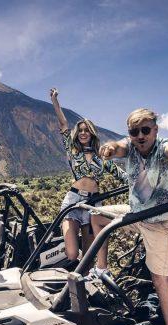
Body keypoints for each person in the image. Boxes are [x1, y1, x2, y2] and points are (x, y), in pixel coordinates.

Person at [94, 108, 168, 325]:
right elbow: (117, 147)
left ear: (155, 130)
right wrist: (109, 148)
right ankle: (101, 269)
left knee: (160, 280)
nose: (140, 136)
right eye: (134, 131)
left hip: (160, 223)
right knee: (96, 216)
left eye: (145, 130)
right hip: (137, 215)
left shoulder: (163, 149)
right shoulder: (129, 147)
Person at [49, 88, 127, 272]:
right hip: (73, 201)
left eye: (87, 130)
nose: (83, 133)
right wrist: (54, 101)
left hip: (93, 205)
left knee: (89, 254)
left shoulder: (102, 157)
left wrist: (143, 183)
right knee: (72, 253)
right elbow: (63, 125)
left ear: (92, 133)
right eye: (80, 130)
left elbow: (122, 176)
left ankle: (85, 286)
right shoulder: (72, 150)